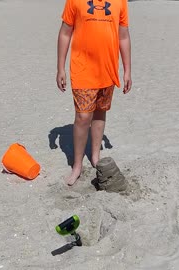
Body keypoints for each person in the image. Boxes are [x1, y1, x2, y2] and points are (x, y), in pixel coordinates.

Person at [56, 0, 132, 185]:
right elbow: (65, 32)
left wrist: (127, 69)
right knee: (83, 116)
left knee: (100, 112)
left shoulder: (120, 1)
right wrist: (60, 68)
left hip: (107, 69)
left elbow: (123, 36)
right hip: (82, 68)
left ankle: (96, 157)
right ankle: (77, 165)